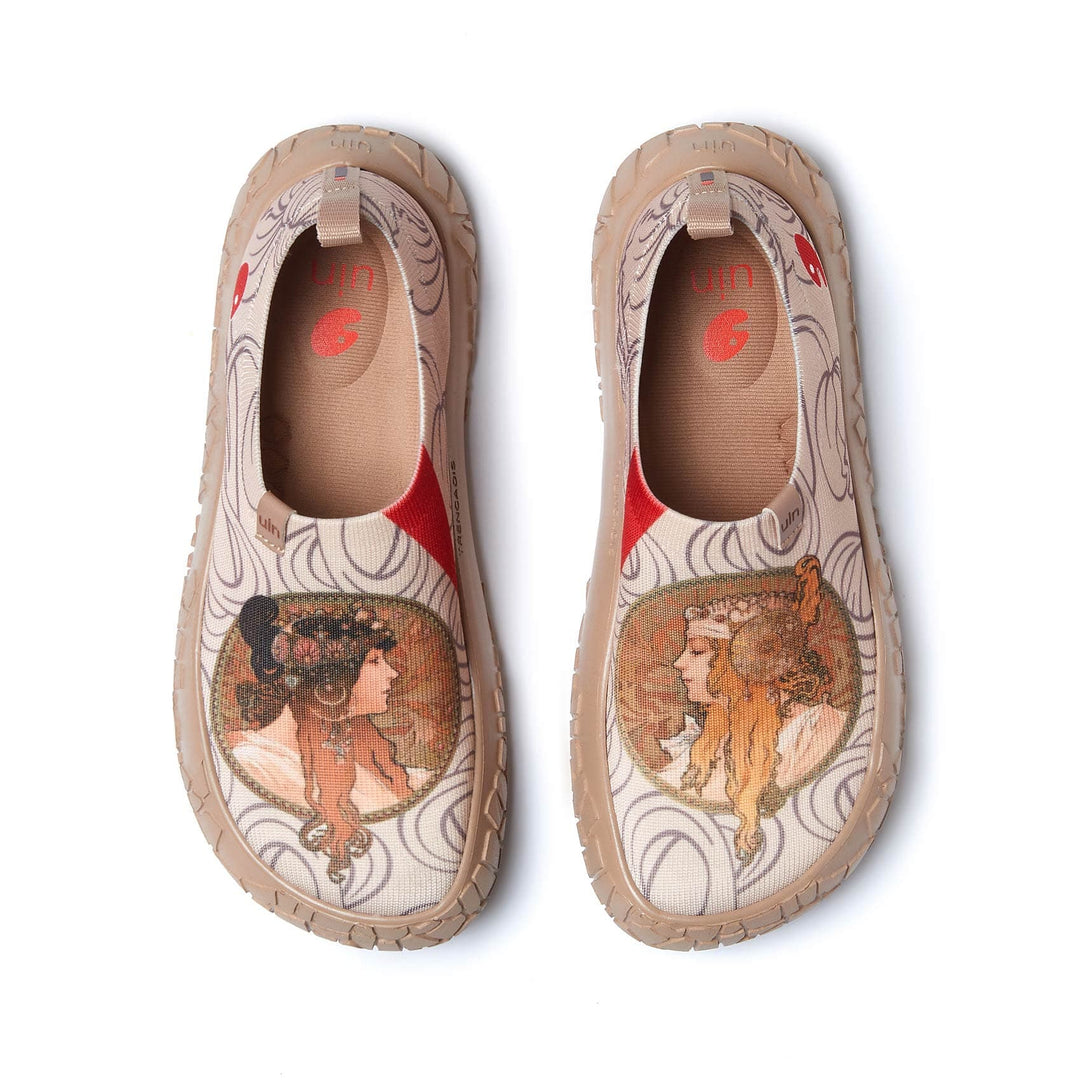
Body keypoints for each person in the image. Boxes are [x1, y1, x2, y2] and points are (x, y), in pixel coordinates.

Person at [229, 597, 430, 881]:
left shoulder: (359, 750)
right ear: (333, 685)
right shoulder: (257, 763)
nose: (392, 673)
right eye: (375, 661)